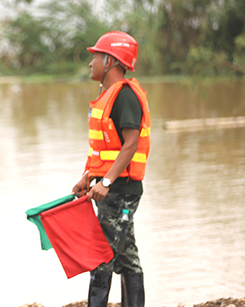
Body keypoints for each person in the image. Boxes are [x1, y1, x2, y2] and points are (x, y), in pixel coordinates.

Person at [71, 31, 150, 307]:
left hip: (120, 192)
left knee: (101, 257)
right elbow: (103, 150)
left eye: (95, 56)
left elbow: (131, 144)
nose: (90, 63)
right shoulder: (107, 96)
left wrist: (104, 182)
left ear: (110, 61)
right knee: (127, 256)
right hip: (110, 189)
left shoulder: (125, 96)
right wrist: (87, 178)